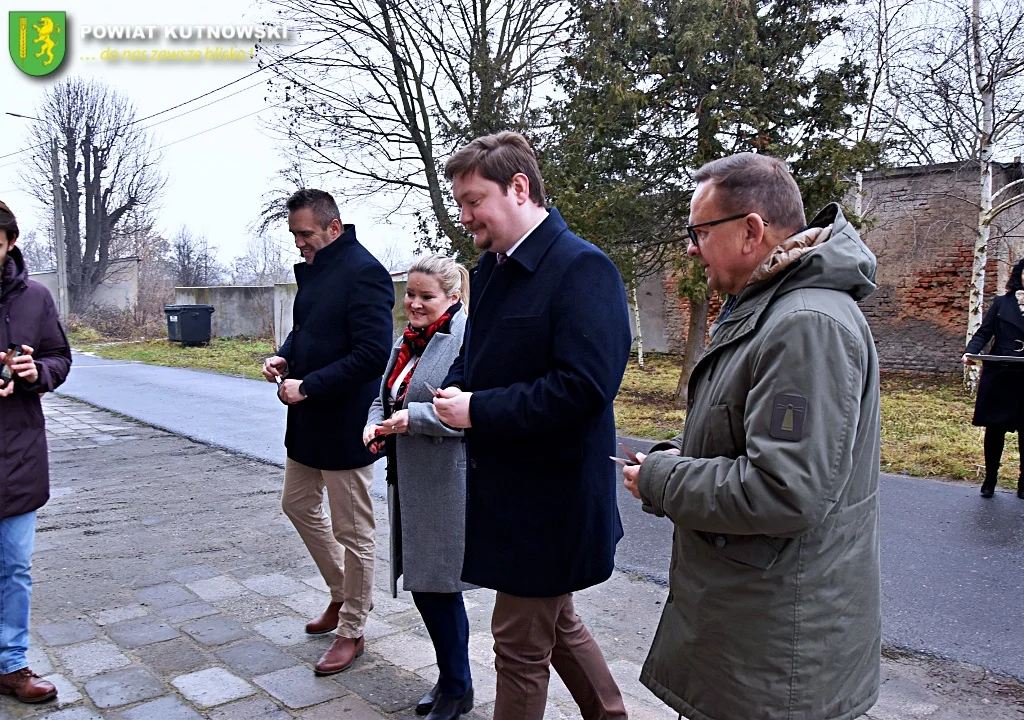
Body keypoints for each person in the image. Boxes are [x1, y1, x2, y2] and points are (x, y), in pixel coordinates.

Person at [622, 153, 882, 720]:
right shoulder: (769, 311)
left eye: (699, 232)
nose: (690, 247)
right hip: (756, 629)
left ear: (751, 231)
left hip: (779, 649)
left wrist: (663, 479)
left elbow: (784, 488)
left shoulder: (805, 325)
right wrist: (675, 460)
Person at [433, 132, 631, 720]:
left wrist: (480, 410)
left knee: (519, 647)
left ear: (519, 188)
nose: (464, 217)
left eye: (473, 201)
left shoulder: (582, 269)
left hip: (552, 503)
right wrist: (459, 387)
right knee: (557, 621)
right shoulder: (492, 270)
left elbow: (585, 389)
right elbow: (481, 356)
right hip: (509, 497)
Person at [261, 189, 393, 675]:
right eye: (294, 234)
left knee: (354, 531)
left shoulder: (366, 273)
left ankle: (352, 629)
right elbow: (309, 330)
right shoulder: (317, 269)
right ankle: (342, 594)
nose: (298, 244)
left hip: (343, 423)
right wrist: (285, 355)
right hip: (307, 419)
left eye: (305, 234)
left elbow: (371, 354)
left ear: (333, 227)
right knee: (296, 504)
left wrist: (308, 386)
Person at [363, 254, 474, 720]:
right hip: (409, 479)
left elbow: (471, 413)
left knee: (439, 586)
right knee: (426, 586)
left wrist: (414, 420)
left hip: (444, 482)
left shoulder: (466, 338)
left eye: (426, 296)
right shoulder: (408, 341)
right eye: (410, 294)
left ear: (452, 297)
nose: (414, 303)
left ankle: (458, 686)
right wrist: (374, 425)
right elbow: (384, 394)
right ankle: (452, 678)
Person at [0, 201, 71, 704]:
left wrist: (35, 373)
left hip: (17, 452)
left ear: (10, 243)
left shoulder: (36, 298)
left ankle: (10, 664)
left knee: (15, 566)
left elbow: (59, 357)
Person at [963, 258, 1024, 499]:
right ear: (1020, 274)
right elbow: (984, 333)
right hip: (1001, 374)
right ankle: (990, 478)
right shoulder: (1001, 303)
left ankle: (1023, 482)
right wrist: (971, 352)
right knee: (995, 430)